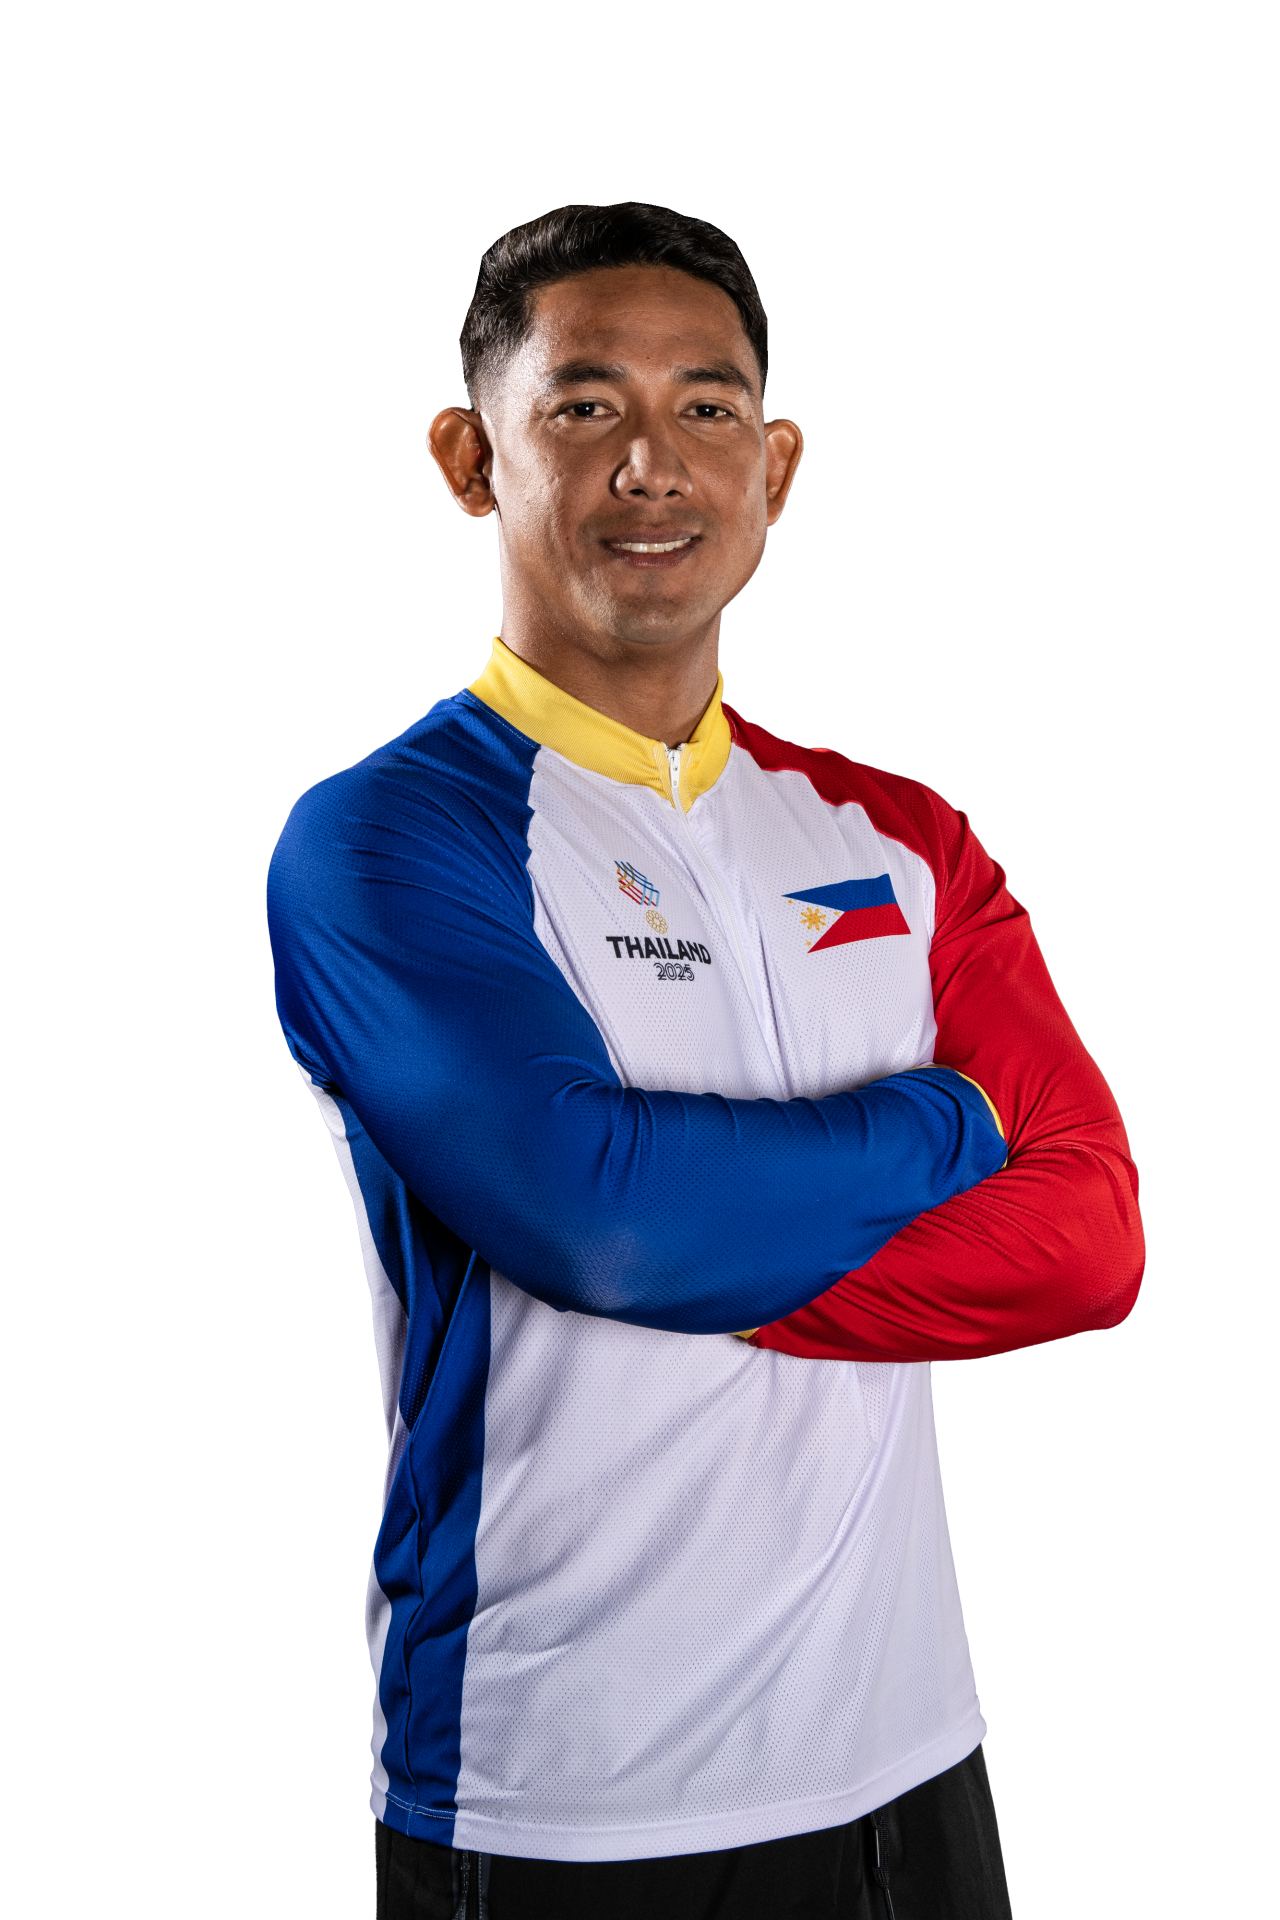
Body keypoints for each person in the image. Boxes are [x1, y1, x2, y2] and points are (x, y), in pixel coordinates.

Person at [267, 203, 1144, 1919]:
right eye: (585, 405)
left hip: (913, 1761)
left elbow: (1093, 1243)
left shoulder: (899, 836)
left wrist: (699, 1242)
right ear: (471, 459)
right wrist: (958, 1122)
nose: (652, 464)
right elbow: (605, 1224)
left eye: (708, 408)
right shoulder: (380, 839)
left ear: (778, 467)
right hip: (559, 1796)